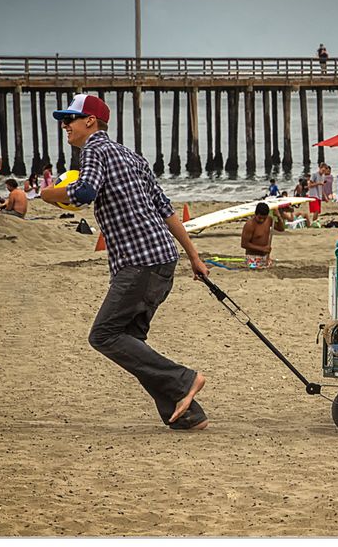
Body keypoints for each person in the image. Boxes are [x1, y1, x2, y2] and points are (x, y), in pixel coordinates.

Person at [39, 93, 211, 431]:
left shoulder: (94, 150)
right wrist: (193, 256)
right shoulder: (131, 155)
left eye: (69, 119)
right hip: (162, 260)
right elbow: (166, 209)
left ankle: (184, 380)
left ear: (90, 121)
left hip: (140, 262)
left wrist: (48, 194)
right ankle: (188, 415)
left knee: (103, 335)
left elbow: (84, 191)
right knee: (130, 341)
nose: (64, 125)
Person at [241, 202, 285, 268]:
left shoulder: (269, 220)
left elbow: (281, 229)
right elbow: (244, 244)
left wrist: (278, 216)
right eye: (259, 218)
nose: (262, 220)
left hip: (265, 257)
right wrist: (262, 249)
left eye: (264, 218)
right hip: (253, 258)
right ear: (255, 214)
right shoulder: (250, 225)